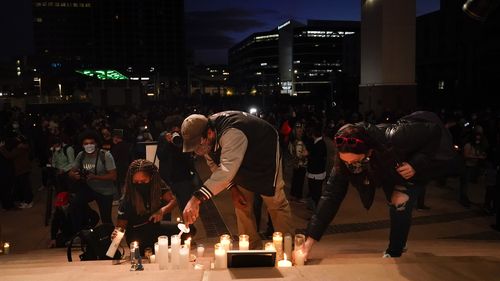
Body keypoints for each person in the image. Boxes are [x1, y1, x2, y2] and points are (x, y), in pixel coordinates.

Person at [302, 111, 462, 259]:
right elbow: (331, 196)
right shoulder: (345, 161)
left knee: (399, 200)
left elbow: (434, 131)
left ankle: (395, 251)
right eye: (347, 162)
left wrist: (415, 164)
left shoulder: (394, 136)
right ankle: (400, 240)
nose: (352, 167)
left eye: (356, 162)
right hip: (387, 169)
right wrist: (309, 242)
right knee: (394, 202)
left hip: (419, 162)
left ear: (368, 151)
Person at [180, 111, 293, 249]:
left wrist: (196, 198)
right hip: (237, 159)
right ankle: (251, 248)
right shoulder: (206, 139)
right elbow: (215, 166)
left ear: (209, 133)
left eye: (197, 145)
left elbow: (226, 170)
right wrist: (233, 188)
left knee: (276, 203)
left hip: (263, 154)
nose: (196, 151)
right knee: (242, 204)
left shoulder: (232, 133)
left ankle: (288, 248)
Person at [113, 159, 186, 254]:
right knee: (148, 253)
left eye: (143, 181)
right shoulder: (127, 199)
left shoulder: (157, 184)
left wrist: (162, 211)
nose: (139, 185)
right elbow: (120, 228)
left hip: (155, 227)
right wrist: (116, 235)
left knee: (187, 230)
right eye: (136, 182)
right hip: (137, 234)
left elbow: (174, 200)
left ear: (151, 178)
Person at [68, 130, 117, 232]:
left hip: (105, 190)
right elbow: (71, 172)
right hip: (89, 188)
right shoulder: (81, 155)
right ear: (82, 145)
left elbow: (113, 176)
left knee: (106, 219)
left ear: (96, 144)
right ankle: (81, 230)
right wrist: (74, 175)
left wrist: (95, 177)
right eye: (86, 144)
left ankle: (110, 240)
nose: (89, 146)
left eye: (91, 143)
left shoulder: (105, 155)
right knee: (75, 204)